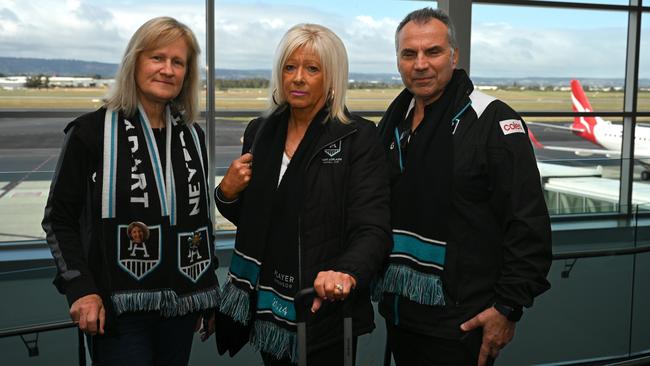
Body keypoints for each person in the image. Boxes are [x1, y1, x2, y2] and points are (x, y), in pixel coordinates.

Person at [373, 8, 552, 366]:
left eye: (433, 52)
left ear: (454, 55)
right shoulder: (394, 121)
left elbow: (528, 225)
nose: (420, 64)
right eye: (409, 54)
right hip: (399, 311)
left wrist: (507, 308)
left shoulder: (491, 120)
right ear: (398, 61)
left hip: (462, 322)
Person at [41, 17, 219, 365]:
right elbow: (58, 220)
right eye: (157, 58)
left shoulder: (192, 138)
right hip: (118, 309)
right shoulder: (90, 133)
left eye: (178, 62)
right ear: (135, 62)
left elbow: (199, 221)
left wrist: (206, 292)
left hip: (181, 306)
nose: (167, 70)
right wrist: (81, 288)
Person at [215, 23, 391, 365]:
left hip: (324, 305)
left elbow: (373, 227)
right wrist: (226, 193)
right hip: (267, 302)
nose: (298, 78)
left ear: (332, 78)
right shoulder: (260, 131)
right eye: (289, 67)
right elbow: (259, 219)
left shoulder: (357, 136)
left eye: (312, 69)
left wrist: (347, 271)